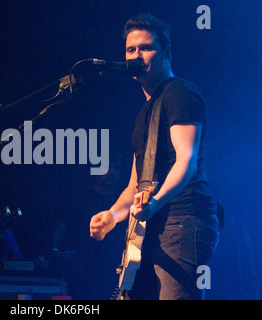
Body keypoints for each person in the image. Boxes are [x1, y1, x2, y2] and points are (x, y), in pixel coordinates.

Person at [89, 13, 220, 300]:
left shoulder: (181, 94)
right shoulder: (144, 112)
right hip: (151, 224)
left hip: (183, 219)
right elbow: (136, 184)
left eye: (146, 48)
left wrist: (156, 202)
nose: (136, 55)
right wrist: (112, 216)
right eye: (130, 50)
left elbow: (186, 161)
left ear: (166, 52)